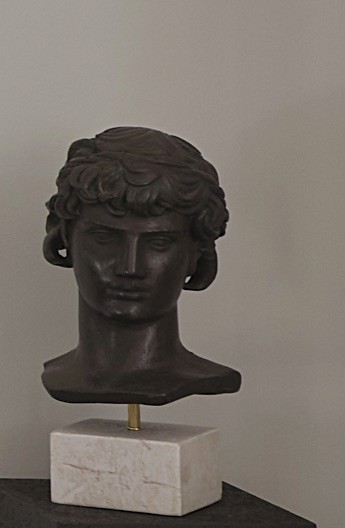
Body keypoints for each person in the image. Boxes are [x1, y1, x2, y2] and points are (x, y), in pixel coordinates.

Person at [38, 125, 243, 406]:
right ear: (64, 235)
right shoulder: (57, 374)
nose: (130, 267)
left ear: (197, 251)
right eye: (104, 238)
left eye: (158, 243)